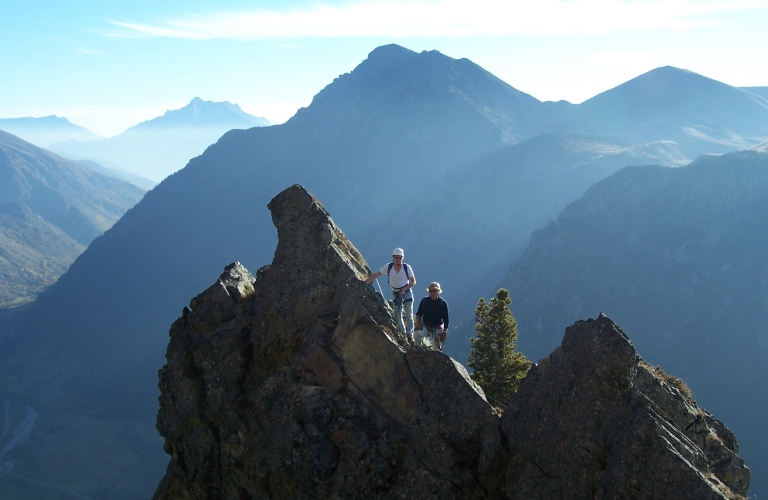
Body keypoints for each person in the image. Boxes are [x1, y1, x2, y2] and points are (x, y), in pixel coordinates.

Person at [365, 248, 416, 342]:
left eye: (400, 258)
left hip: (407, 291)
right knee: (397, 315)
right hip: (396, 293)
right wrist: (365, 282)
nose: (398, 259)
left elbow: (413, 281)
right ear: (393, 258)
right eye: (396, 257)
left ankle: (410, 336)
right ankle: (402, 333)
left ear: (402, 258)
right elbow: (376, 274)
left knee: (409, 314)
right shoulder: (388, 267)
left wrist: (405, 288)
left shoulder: (406, 267)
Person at [414, 282, 449, 351]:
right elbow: (419, 314)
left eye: (434, 291)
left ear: (438, 292)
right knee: (417, 334)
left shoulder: (443, 303)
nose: (432, 292)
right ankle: (417, 351)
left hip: (437, 327)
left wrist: (444, 332)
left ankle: (436, 358)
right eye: (430, 291)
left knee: (436, 348)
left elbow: (446, 320)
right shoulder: (424, 301)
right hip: (426, 326)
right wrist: (419, 323)